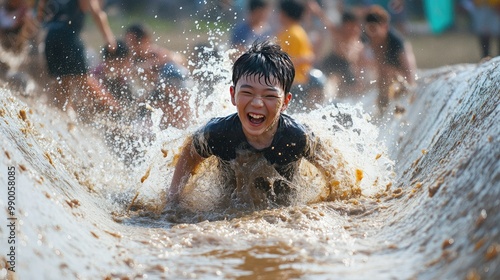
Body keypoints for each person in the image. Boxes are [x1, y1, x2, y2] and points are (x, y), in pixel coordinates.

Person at [167, 40, 358, 208]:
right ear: (233, 95)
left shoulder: (297, 137)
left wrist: (342, 204)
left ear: (285, 102)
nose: (257, 103)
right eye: (248, 93)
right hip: (227, 209)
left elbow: (340, 179)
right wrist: (173, 199)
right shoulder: (217, 133)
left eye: (269, 96)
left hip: (282, 210)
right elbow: (190, 154)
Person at [36, 0, 118, 114]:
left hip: (50, 37)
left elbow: (42, 8)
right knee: (84, 80)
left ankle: (63, 116)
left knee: (61, 83)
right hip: (68, 36)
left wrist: (40, 20)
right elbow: (97, 13)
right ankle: (114, 111)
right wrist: (109, 38)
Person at [308, 1, 372, 96]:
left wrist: (359, 78)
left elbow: (359, 61)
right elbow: (324, 19)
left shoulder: (358, 39)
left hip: (347, 65)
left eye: (355, 26)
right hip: (332, 60)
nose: (352, 29)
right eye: (350, 26)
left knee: (351, 89)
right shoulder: (338, 33)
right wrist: (316, 9)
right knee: (323, 84)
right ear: (344, 25)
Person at [363, 4, 416, 115]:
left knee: (386, 73)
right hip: (381, 78)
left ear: (385, 27)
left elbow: (410, 75)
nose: (372, 36)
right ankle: (380, 109)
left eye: (375, 30)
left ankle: (388, 109)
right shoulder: (366, 39)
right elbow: (358, 61)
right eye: (369, 31)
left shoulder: (397, 43)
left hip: (398, 77)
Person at [276, 0, 326, 112]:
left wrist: (284, 65)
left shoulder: (293, 34)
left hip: (295, 82)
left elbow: (307, 58)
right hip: (295, 81)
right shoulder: (294, 32)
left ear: (284, 14)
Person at [124, 23, 186, 93]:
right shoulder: (130, 57)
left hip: (172, 85)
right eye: (128, 43)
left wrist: (153, 63)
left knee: (170, 67)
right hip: (150, 90)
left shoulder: (154, 52)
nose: (131, 46)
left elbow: (180, 59)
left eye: (135, 42)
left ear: (146, 40)